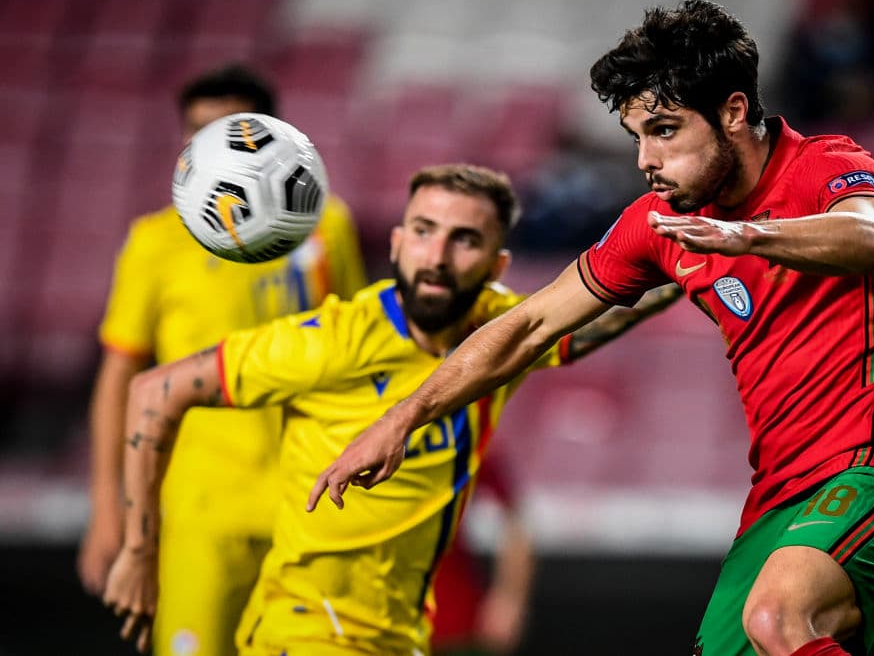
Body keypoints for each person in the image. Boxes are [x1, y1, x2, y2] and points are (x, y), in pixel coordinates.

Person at [307, 0, 874, 656]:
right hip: (780, 497)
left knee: (776, 618)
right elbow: (529, 324)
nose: (646, 158)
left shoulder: (823, 164)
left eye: (665, 131)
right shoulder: (655, 224)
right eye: (637, 136)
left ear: (734, 112)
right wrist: (401, 419)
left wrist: (746, 236)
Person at [101, 163, 682, 655]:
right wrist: (138, 549)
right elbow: (156, 390)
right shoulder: (333, 340)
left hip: (401, 635)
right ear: (397, 243)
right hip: (307, 631)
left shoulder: (500, 332)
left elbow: (590, 321)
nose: (437, 256)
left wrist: (684, 268)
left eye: (465, 240)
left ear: (496, 266)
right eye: (424, 232)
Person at [78, 63, 367, 656]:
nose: (211, 147)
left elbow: (358, 354)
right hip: (199, 509)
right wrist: (109, 510)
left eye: (231, 131)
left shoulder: (327, 227)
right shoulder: (156, 242)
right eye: (198, 132)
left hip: (310, 501)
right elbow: (118, 379)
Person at [430, 452, 533, 656]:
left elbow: (514, 523)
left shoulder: (457, 446)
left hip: (453, 621)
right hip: (378, 614)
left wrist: (509, 598)